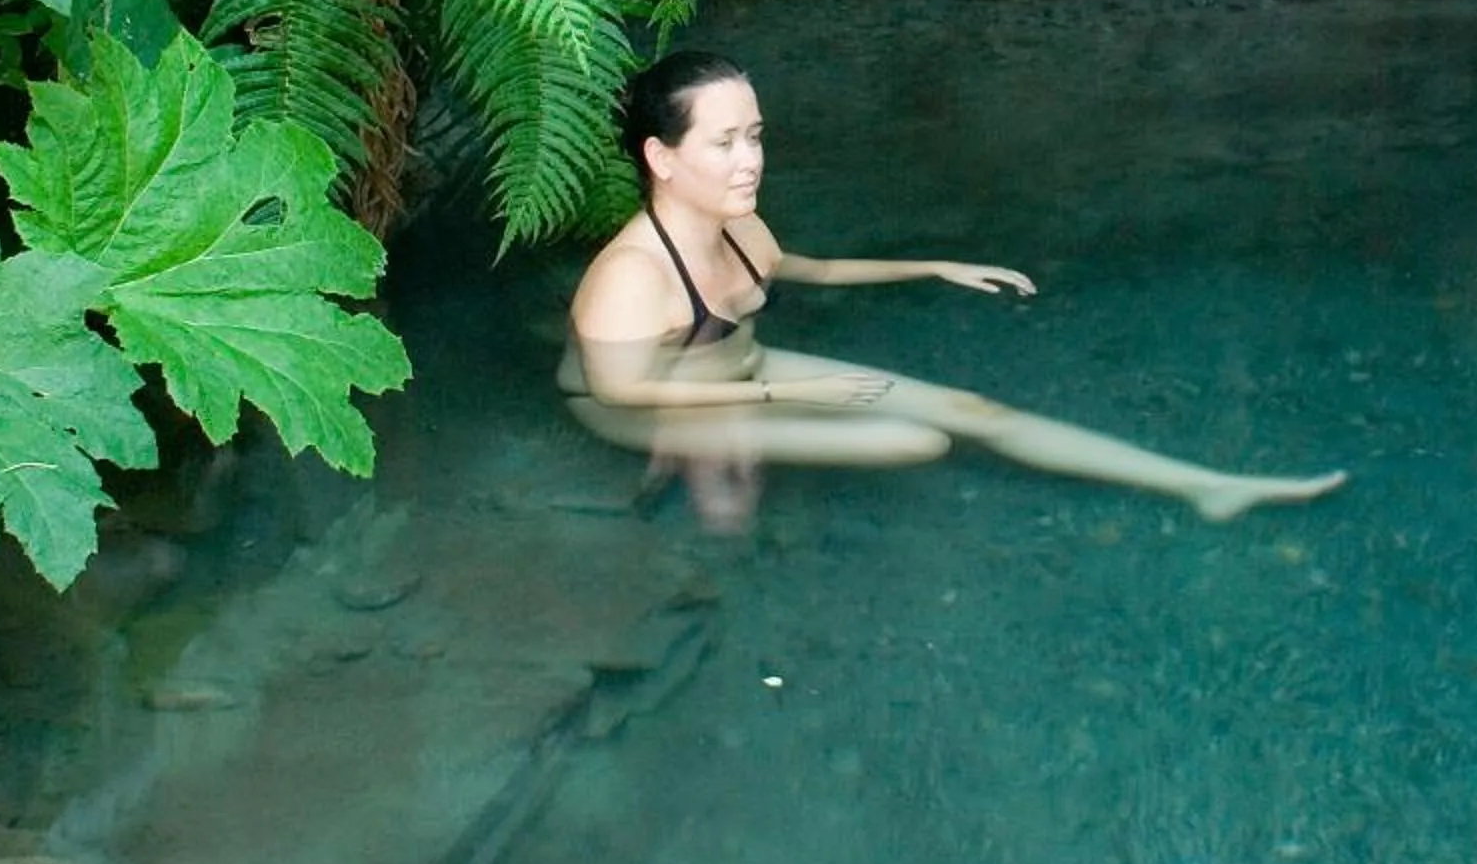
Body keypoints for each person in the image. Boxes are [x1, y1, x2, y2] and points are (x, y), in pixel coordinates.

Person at [560, 49, 1349, 529]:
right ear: (661, 158)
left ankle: (1207, 486)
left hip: (742, 372)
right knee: (916, 441)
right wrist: (789, 396)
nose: (751, 160)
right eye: (725, 142)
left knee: (976, 412)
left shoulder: (742, 228)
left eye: (756, 137)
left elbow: (814, 270)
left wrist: (934, 265)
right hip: (647, 410)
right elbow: (621, 391)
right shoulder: (631, 278)